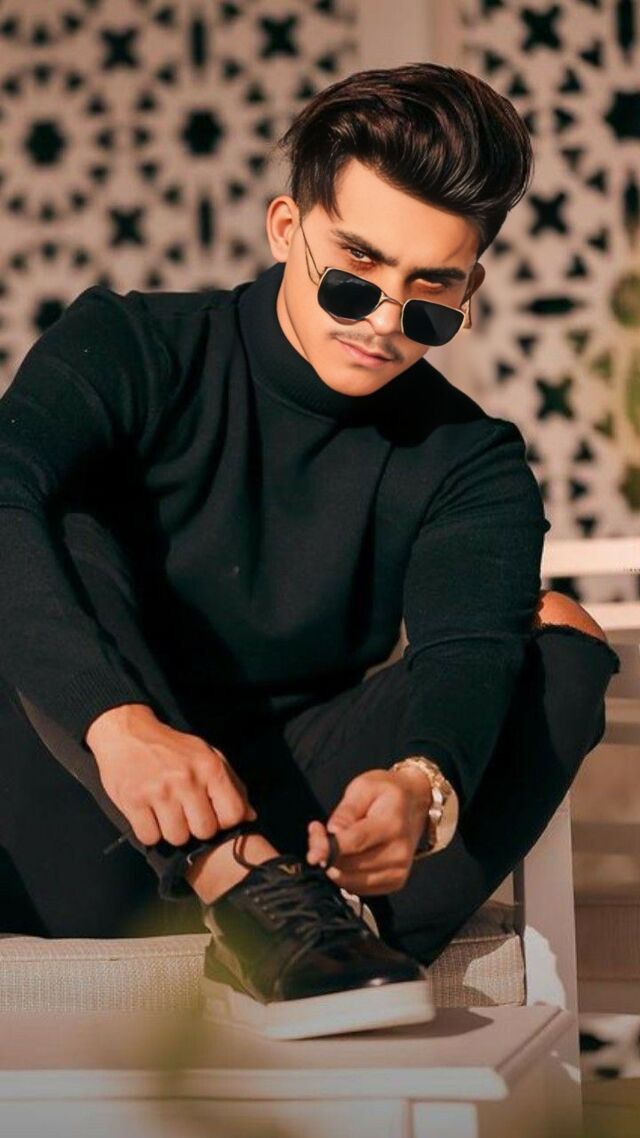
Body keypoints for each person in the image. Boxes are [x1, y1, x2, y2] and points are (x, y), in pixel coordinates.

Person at [0, 62, 620, 1040]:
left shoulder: (470, 457)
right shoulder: (134, 345)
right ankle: (238, 886)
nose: (382, 321)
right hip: (82, 808)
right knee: (56, 509)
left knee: (560, 638)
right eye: (353, 272)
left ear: (472, 285)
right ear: (286, 227)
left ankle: (309, 931)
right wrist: (117, 721)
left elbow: (468, 646)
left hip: (308, 833)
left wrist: (421, 787)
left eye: (429, 295)